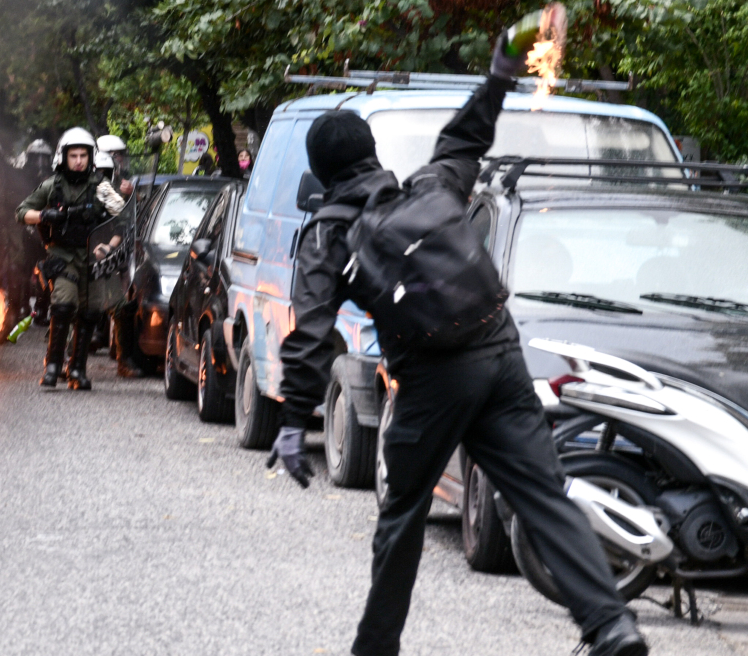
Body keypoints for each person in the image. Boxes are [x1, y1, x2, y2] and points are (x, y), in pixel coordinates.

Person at [267, 32, 647, 656]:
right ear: (372, 154)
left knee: (403, 514)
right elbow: (467, 134)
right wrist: (500, 73)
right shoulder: (433, 186)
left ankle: (375, 649)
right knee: (542, 496)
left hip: (432, 379)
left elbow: (310, 331)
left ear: (321, 174)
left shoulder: (329, 234)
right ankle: (611, 625)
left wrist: (291, 421)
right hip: (500, 350)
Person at [15, 127, 123, 390]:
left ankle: (77, 369)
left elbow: (123, 221)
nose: (78, 161)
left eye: (83, 156)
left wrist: (108, 246)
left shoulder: (102, 187)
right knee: (63, 305)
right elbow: (22, 212)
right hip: (62, 256)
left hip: (92, 259)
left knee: (89, 313)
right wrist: (44, 215)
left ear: (90, 157)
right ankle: (53, 366)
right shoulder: (52, 186)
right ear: (63, 157)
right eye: (73, 155)